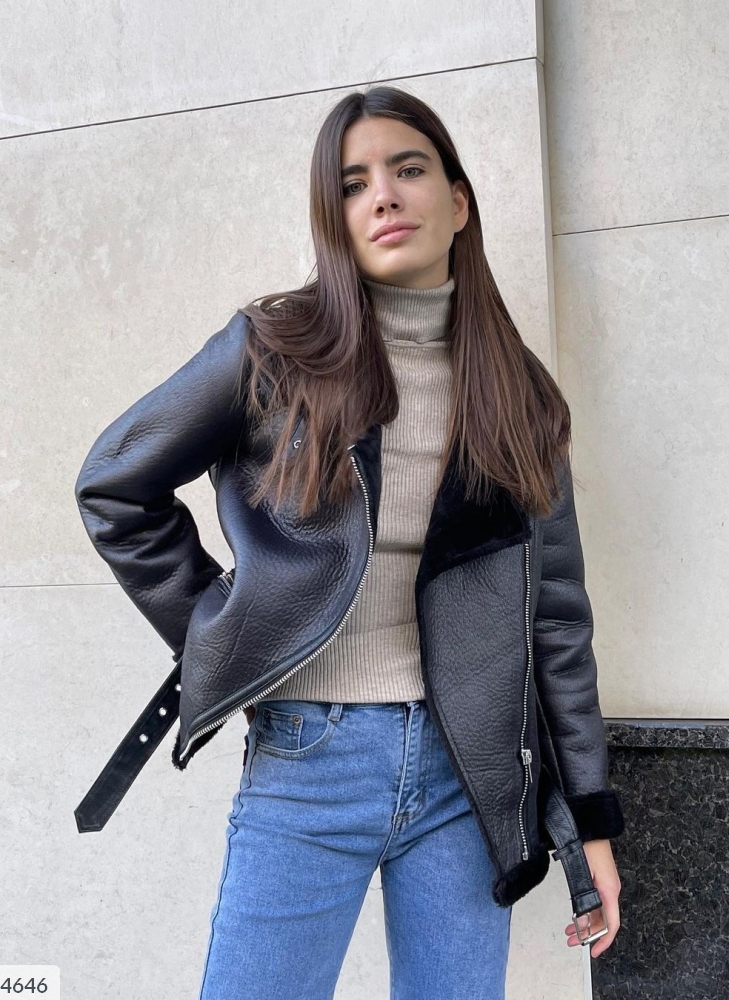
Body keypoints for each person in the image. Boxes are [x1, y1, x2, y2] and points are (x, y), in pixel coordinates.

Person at [74, 85, 625, 1000]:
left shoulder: (518, 395)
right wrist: (226, 626)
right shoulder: (273, 350)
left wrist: (591, 826)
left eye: (409, 169)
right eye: (353, 183)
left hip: (467, 775)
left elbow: (558, 623)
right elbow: (115, 485)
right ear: (333, 219)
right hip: (308, 761)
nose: (384, 196)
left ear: (459, 202)